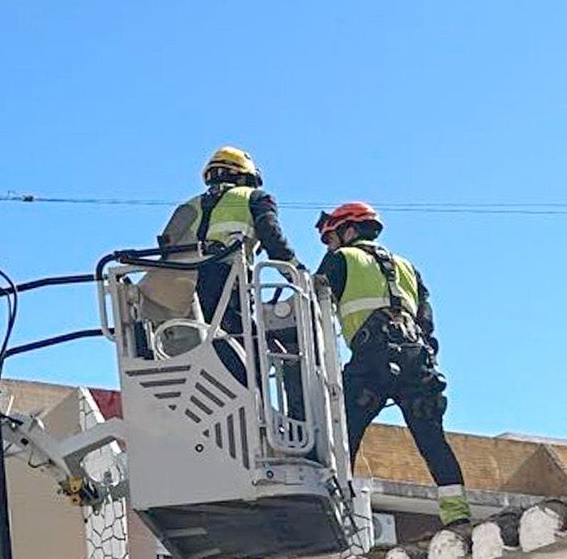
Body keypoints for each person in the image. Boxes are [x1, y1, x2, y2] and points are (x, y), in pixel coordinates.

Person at [314, 201, 470, 526]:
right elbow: (427, 323)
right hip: (419, 359)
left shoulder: (341, 259)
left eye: (331, 237)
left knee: (342, 435)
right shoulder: (407, 267)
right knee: (432, 439)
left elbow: (312, 307)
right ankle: (457, 518)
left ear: (349, 231)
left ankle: (341, 517)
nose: (329, 246)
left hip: (373, 359)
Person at [142, 147, 299, 387]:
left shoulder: (190, 206)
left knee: (204, 342)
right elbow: (272, 239)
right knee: (243, 349)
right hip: (226, 280)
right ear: (245, 176)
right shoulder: (254, 198)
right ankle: (249, 399)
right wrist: (297, 273)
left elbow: (167, 248)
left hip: (184, 289)